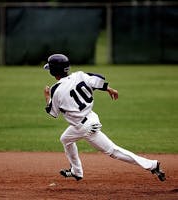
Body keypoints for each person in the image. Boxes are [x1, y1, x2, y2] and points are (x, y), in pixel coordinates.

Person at [43, 54, 166, 182]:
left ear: (53, 71)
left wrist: (47, 96)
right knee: (65, 139)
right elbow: (97, 80)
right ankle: (76, 171)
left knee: (113, 151)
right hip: (88, 119)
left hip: (84, 127)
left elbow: (53, 113)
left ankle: (152, 165)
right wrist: (109, 89)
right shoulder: (79, 75)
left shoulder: (55, 90)